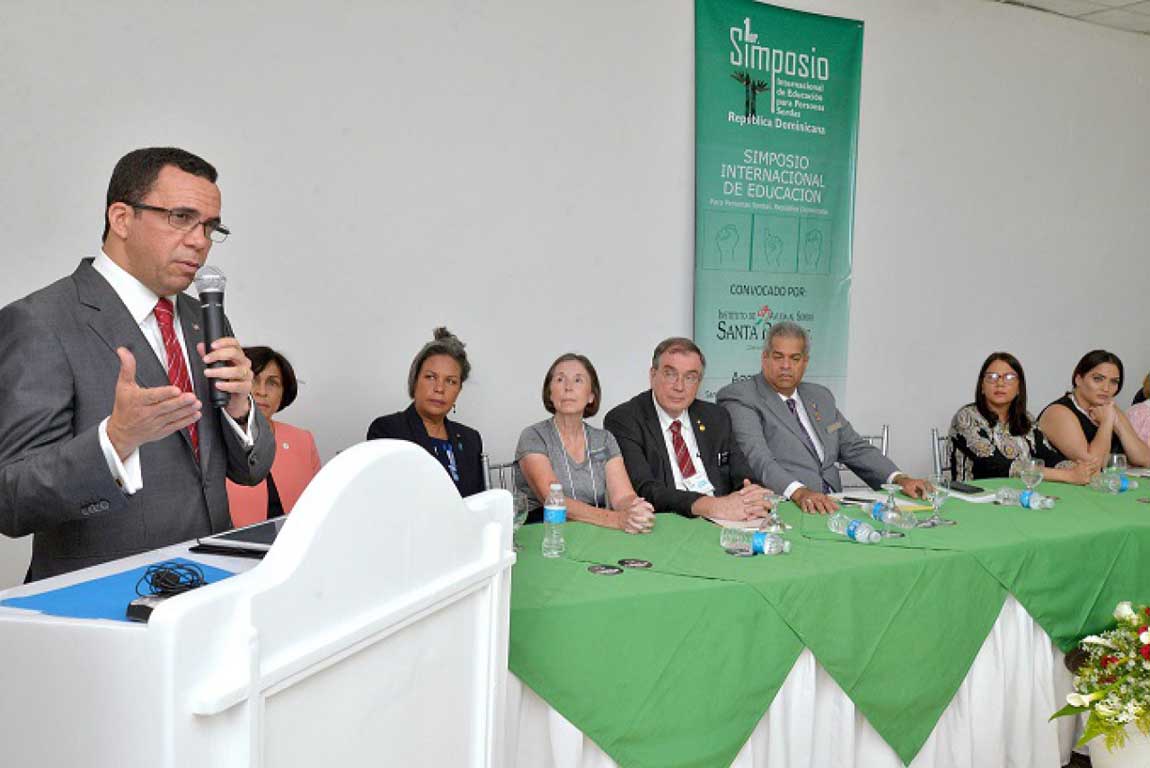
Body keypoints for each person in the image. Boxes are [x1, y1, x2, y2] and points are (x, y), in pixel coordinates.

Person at [0, 147, 275, 581]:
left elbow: (249, 470)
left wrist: (241, 411)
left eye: (210, 226)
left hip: (209, 585)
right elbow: (11, 501)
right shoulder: (42, 320)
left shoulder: (205, 317)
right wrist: (114, 442)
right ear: (121, 218)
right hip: (100, 598)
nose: (200, 241)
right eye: (181, 218)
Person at [717, 322, 929, 515]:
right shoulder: (742, 397)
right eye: (778, 357)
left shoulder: (821, 396)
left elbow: (854, 447)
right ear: (765, 358)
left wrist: (899, 479)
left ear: (805, 362)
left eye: (795, 358)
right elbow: (758, 460)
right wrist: (800, 492)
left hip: (834, 505)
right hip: (785, 507)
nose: (786, 365)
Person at [604, 337, 774, 520]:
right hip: (670, 520)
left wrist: (751, 495)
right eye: (670, 374)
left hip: (724, 518)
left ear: (699, 382)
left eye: (690, 377)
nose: (679, 387)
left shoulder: (716, 417)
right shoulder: (625, 420)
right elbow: (645, 490)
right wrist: (709, 506)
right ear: (653, 375)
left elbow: (742, 474)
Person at [516, 353, 656, 532]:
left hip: (595, 528)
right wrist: (617, 520)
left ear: (591, 396)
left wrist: (635, 508)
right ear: (550, 393)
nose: (568, 387)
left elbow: (622, 496)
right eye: (560, 380)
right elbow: (553, 500)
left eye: (578, 380)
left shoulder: (604, 439)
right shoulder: (533, 436)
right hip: (545, 531)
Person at [367, 328, 485, 496]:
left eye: (451, 381)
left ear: (459, 390)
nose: (439, 388)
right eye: (430, 377)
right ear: (415, 380)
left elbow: (479, 501)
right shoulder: (388, 430)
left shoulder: (471, 439)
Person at [948, 352, 1096, 483]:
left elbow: (1048, 456)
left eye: (1009, 377)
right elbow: (997, 466)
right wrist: (1067, 476)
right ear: (982, 386)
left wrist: (1078, 469)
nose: (1000, 383)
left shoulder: (1025, 419)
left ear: (1019, 387)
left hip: (1017, 495)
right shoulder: (966, 418)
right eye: (992, 377)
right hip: (974, 498)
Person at [226, 347, 321, 527]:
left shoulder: (302, 439)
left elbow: (318, 504)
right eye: (253, 380)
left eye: (272, 383)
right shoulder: (210, 440)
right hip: (230, 542)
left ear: (284, 392)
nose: (262, 391)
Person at [1038, 350, 1150, 468]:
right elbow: (1094, 465)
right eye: (1098, 379)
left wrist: (1119, 425)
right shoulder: (1058, 413)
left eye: (1114, 381)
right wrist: (1106, 422)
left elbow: (1145, 459)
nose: (1106, 388)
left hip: (1107, 479)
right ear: (1078, 379)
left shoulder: (1108, 407)